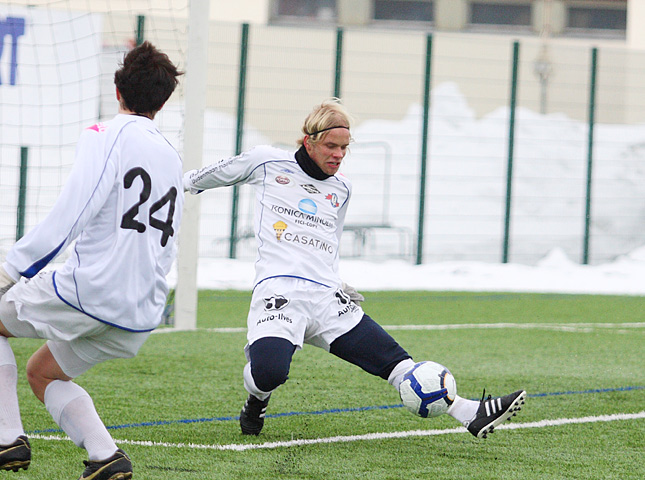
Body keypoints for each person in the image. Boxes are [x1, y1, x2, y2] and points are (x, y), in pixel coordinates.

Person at [183, 98, 526, 439]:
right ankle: (257, 401)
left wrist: (336, 281)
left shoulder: (342, 189)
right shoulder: (267, 162)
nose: (338, 154)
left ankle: (470, 413)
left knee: (399, 365)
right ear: (309, 141)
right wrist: (175, 184)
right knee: (270, 371)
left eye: (344, 148)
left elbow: (326, 240)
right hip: (280, 291)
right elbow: (204, 177)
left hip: (327, 297)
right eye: (331, 146)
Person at [0, 41, 183, 479]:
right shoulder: (171, 156)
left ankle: (7, 441)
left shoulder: (105, 135)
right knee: (43, 373)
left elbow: (72, 212)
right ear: (162, 103)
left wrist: (10, 269)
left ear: (118, 88)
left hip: (93, 290)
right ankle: (106, 457)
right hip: (141, 311)